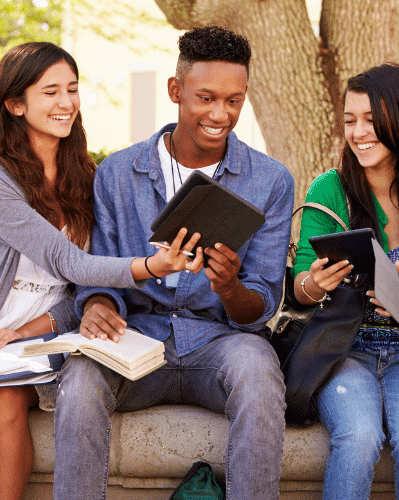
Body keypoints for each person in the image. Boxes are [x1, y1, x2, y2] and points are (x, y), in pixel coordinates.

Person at [0, 43, 201, 500]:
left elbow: (77, 286)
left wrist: (29, 330)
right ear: (15, 104)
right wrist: (149, 266)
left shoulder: (87, 176)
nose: (66, 103)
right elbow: (68, 260)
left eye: (73, 90)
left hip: (48, 332)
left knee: (5, 406)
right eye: (51, 92)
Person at [52, 26, 294, 500]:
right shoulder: (118, 173)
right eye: (206, 97)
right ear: (175, 90)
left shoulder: (270, 181)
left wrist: (230, 289)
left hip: (220, 341)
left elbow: (261, 305)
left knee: (260, 372)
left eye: (234, 101)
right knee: (79, 379)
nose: (220, 114)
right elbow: (100, 269)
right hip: (137, 338)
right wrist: (98, 303)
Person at [291, 63, 399, 500]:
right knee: (359, 438)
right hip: (343, 353)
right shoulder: (330, 189)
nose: (359, 132)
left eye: (371, 120)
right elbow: (299, 286)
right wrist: (316, 282)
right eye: (350, 121)